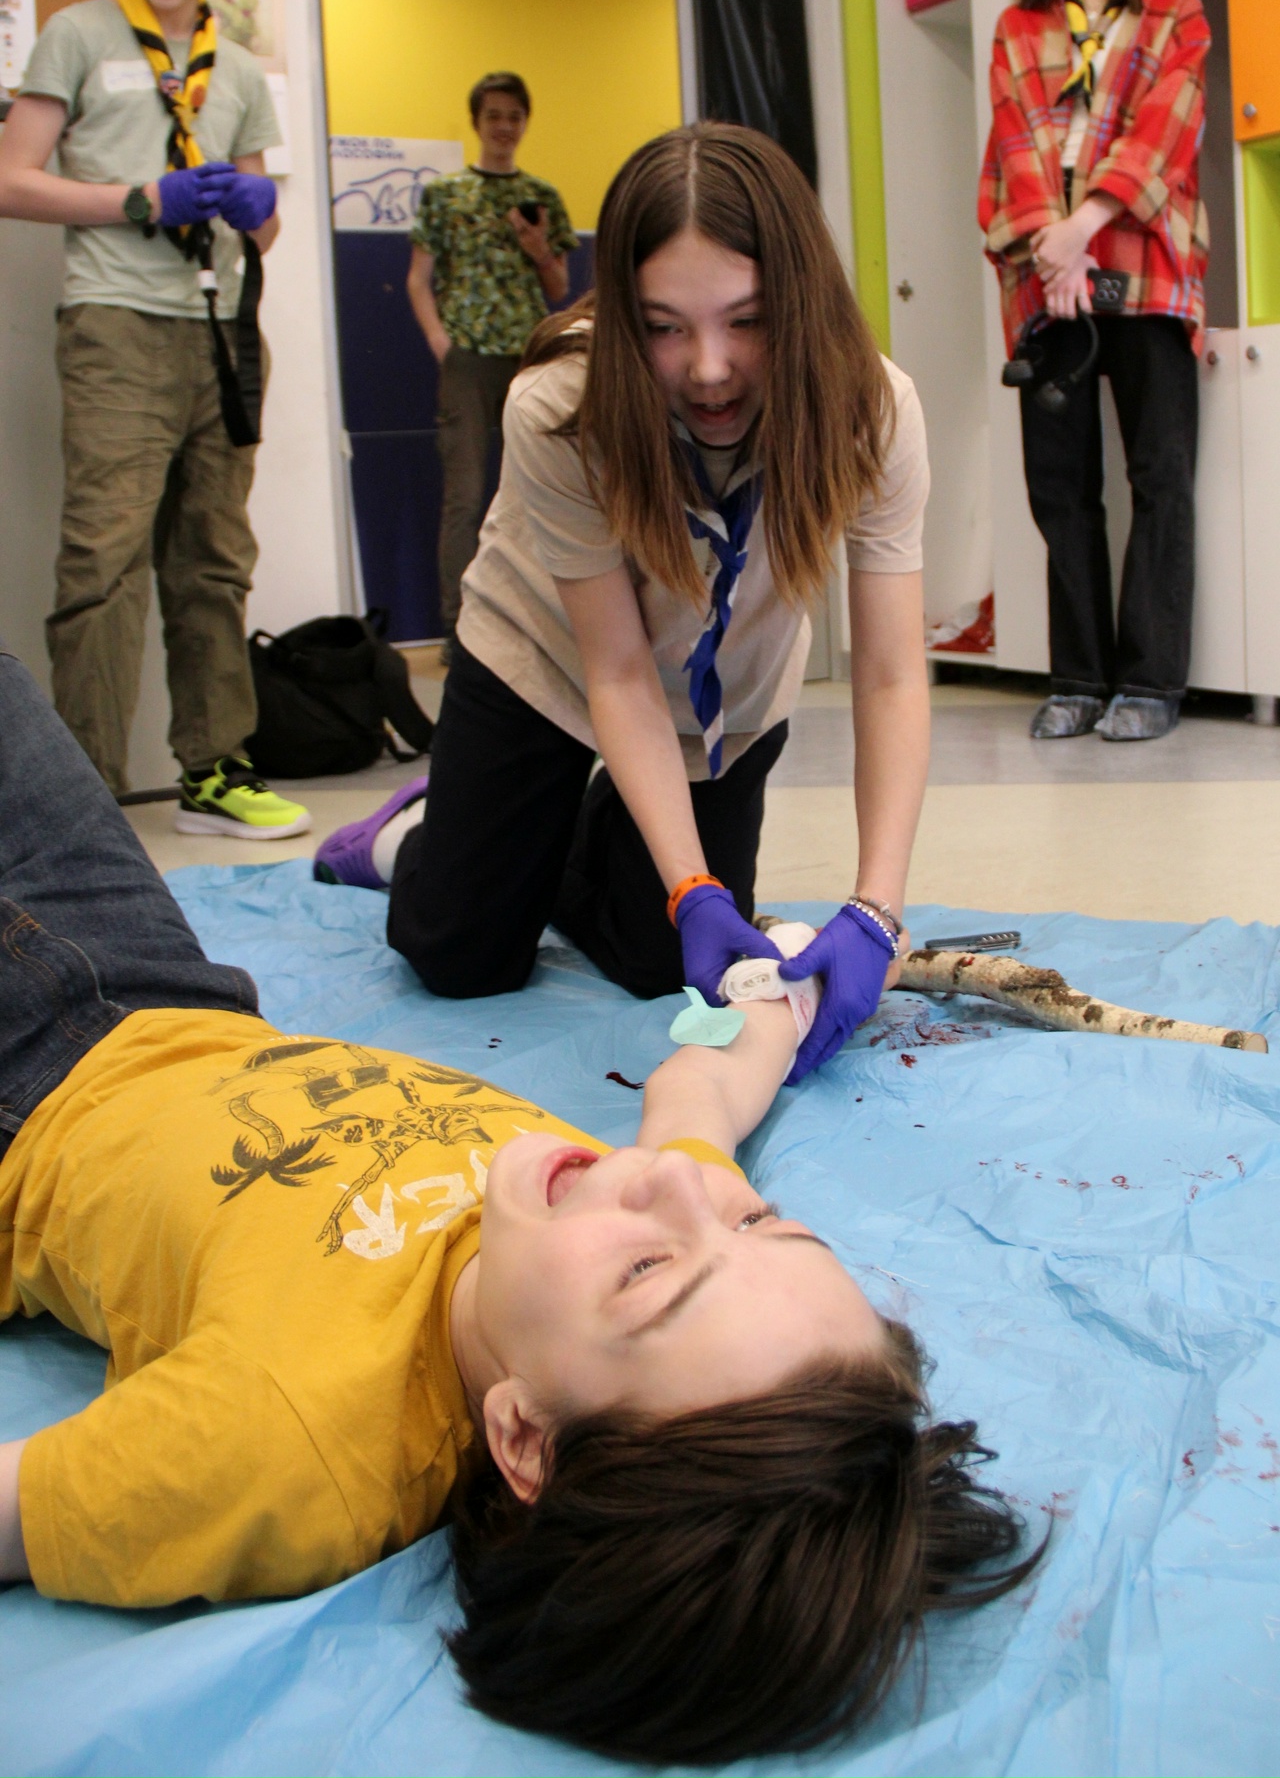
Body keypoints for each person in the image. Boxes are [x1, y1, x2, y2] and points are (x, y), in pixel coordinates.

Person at [0, 641, 1037, 1765]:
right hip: (170, 993)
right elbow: (702, 1093)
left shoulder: (292, 1448)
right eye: (759, 1221)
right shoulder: (641, 1207)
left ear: (525, 1439)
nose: (672, 1182)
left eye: (648, 1272)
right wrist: (787, 988)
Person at [321, 123, 932, 1085]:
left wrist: (877, 910)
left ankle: (563, 837)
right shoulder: (559, 407)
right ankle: (419, 832)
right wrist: (691, 885)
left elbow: (892, 677)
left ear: (800, 301)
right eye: (663, 326)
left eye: (747, 319)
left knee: (661, 964)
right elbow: (614, 669)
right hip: (547, 655)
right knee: (462, 954)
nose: (709, 368)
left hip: (719, 690)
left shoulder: (874, 410)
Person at [0, 0, 308, 838]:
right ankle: (82, 800)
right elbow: (10, 178)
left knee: (214, 558)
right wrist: (141, 196)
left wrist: (258, 205)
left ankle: (213, 773)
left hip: (221, 334)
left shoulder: (239, 67)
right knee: (102, 562)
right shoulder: (77, 33)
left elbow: (264, 226)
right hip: (116, 326)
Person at [979, 0, 1210, 744]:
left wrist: (1084, 230)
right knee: (1061, 488)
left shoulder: (1175, 10)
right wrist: (1055, 248)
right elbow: (1014, 141)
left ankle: (1151, 684)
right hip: (1050, 282)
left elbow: (1166, 131)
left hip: (1145, 271)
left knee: (1162, 477)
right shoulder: (1020, 24)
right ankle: (1077, 677)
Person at [406, 72, 576, 656]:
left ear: (525, 123)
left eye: (514, 117)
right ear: (477, 122)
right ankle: (459, 630)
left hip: (532, 358)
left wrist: (538, 248)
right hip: (468, 359)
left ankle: (542, 625)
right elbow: (418, 279)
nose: (505, 127)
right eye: (494, 116)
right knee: (465, 494)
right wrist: (439, 341)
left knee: (545, 489)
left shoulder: (542, 195)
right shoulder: (445, 194)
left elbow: (559, 287)